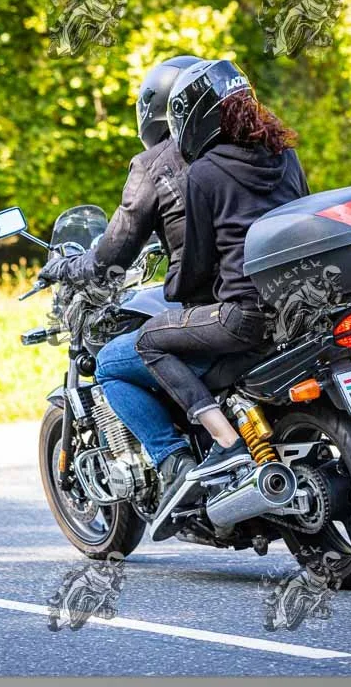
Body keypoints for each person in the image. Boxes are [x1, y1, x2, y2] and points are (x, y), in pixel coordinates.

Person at [136, 59, 309, 540]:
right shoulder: (284, 156)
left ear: (194, 119)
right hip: (297, 310)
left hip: (245, 316)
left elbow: (196, 264)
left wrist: (173, 292)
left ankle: (226, 443)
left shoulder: (205, 172)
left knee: (149, 340)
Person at [38, 55, 215, 502]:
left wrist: (65, 267)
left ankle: (174, 460)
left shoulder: (155, 164)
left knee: (112, 363)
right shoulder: (252, 153)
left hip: (220, 308)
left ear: (152, 112)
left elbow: (111, 254)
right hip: (272, 298)